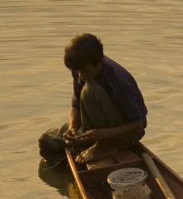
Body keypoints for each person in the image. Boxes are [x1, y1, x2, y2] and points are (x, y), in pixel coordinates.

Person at [38, 33, 147, 165]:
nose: (80, 77)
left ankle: (104, 146)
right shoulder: (80, 69)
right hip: (95, 129)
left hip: (124, 135)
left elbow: (138, 125)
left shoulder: (118, 81)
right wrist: (72, 127)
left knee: (91, 90)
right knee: (47, 140)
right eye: (77, 72)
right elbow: (76, 103)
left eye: (85, 71)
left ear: (99, 62)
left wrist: (102, 135)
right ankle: (70, 161)